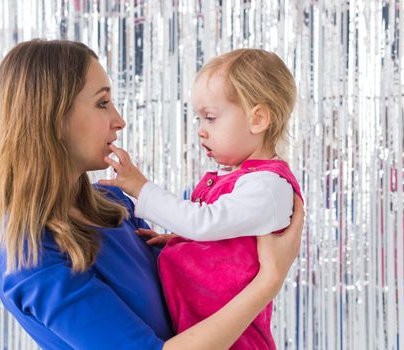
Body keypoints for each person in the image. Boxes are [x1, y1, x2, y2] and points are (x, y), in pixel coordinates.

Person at [0, 39, 304, 350]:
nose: (120, 121)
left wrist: (182, 247)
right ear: (51, 117)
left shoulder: (112, 205)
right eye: (102, 103)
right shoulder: (31, 255)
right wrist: (268, 282)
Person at [100, 48, 303, 349]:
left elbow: (204, 223)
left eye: (210, 118)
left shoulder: (268, 187)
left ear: (258, 119)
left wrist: (141, 187)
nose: (201, 131)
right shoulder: (243, 180)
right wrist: (180, 242)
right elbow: (227, 241)